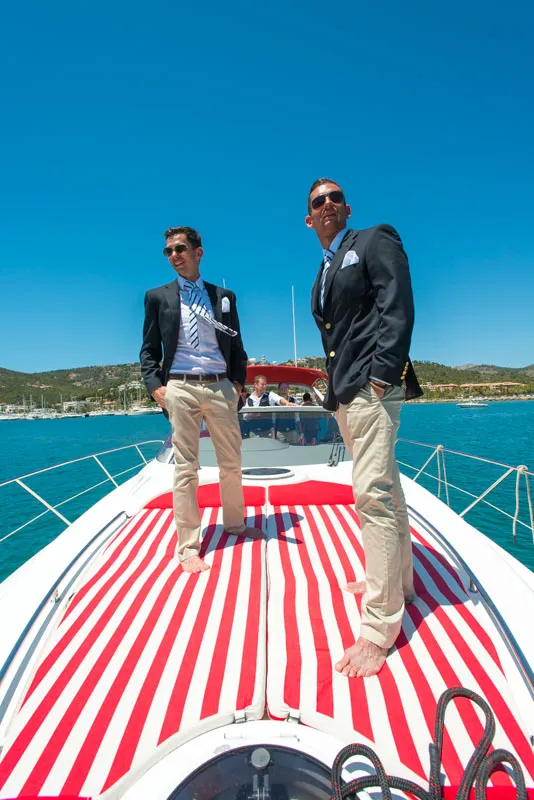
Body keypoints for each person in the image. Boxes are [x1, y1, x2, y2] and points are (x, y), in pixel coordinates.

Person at [307, 178, 423, 678]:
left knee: (371, 496)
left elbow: (397, 307)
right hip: (347, 393)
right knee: (388, 492)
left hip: (371, 388)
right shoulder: (323, 271)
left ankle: (379, 628)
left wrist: (379, 379)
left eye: (335, 197)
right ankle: (400, 583)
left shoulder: (373, 240)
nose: (327, 205)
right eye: (317, 202)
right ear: (309, 219)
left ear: (346, 208)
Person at [140, 226, 265, 574]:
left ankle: (235, 525)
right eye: (168, 251)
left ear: (199, 252)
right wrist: (155, 387)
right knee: (186, 469)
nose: (174, 256)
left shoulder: (224, 296)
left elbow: (237, 346)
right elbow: (149, 350)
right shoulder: (157, 297)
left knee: (231, 461)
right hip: (179, 386)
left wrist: (238, 384)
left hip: (221, 385)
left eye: (180, 248)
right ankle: (188, 546)